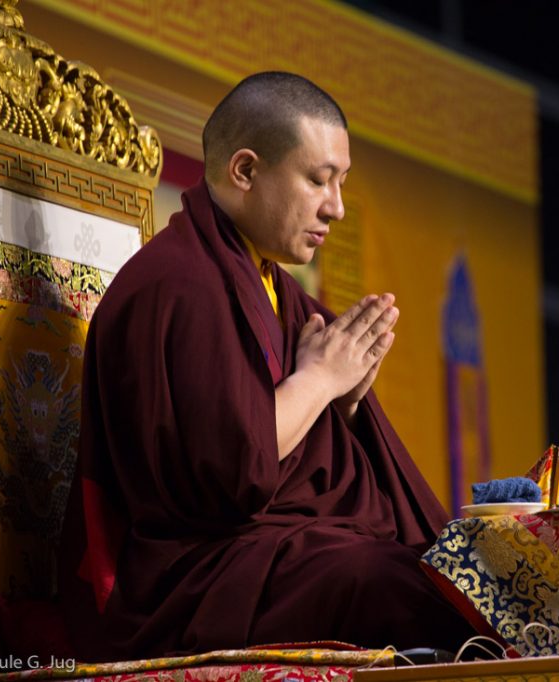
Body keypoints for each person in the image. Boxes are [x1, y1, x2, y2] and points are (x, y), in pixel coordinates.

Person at [58, 72, 475, 661]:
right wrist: (318, 381)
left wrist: (345, 404)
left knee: (454, 576)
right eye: (318, 180)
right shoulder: (177, 286)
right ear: (246, 171)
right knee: (394, 586)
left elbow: (302, 455)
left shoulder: (279, 293)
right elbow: (231, 476)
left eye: (341, 183)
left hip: (277, 552)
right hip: (198, 574)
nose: (336, 208)